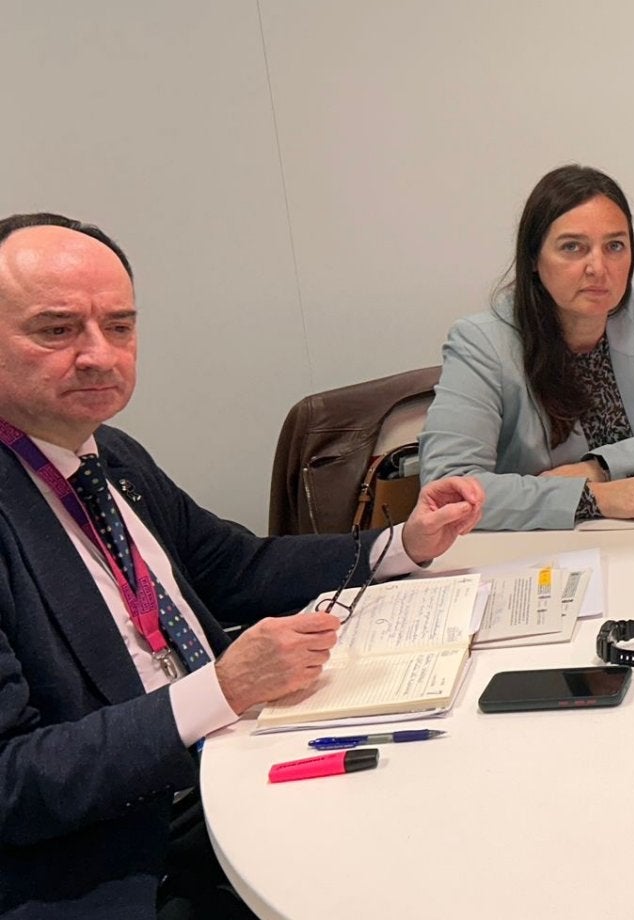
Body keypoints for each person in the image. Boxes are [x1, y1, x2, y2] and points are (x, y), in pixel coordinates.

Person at [0, 213, 484, 918]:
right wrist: (221, 690)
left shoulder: (115, 456)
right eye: (56, 329)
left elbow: (237, 566)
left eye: (121, 326)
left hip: (231, 762)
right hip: (123, 853)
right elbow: (12, 782)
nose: (99, 355)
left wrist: (403, 543)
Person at [420, 165, 634, 530]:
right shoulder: (481, 342)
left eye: (615, 246)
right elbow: (448, 490)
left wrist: (599, 468)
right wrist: (593, 497)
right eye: (573, 247)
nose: (598, 267)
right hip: (545, 551)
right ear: (533, 260)